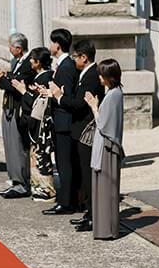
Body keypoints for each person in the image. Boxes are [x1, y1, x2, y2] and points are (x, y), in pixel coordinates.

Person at [53, 38, 103, 231]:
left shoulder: (91, 76)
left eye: (76, 57)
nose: (74, 60)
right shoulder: (85, 73)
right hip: (79, 131)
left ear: (84, 57)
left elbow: (80, 104)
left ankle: (92, 215)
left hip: (85, 131)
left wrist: (59, 97)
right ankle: (88, 213)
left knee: (88, 176)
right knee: (83, 174)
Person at [0, 32, 34, 199]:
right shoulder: (19, 61)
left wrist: (1, 78)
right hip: (10, 107)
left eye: (11, 48)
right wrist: (5, 76)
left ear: (19, 48)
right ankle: (16, 180)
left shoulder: (28, 64)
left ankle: (21, 182)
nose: (10, 51)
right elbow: (13, 80)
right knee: (10, 146)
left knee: (17, 147)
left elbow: (15, 86)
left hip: (18, 108)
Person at [87, 59, 125, 240]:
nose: (99, 77)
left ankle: (107, 229)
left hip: (108, 147)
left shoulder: (113, 95)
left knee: (105, 189)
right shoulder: (114, 93)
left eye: (102, 74)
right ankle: (105, 228)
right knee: (104, 189)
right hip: (106, 145)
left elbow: (102, 124)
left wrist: (94, 107)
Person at [41, 29, 77, 216]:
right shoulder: (63, 65)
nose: (50, 45)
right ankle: (68, 200)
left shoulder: (66, 67)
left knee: (65, 164)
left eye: (51, 42)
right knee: (63, 162)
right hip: (61, 119)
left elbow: (65, 95)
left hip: (64, 121)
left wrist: (54, 95)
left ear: (58, 45)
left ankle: (66, 202)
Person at [12, 47, 54, 201]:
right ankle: (38, 188)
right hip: (34, 124)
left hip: (40, 126)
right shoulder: (41, 77)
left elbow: (39, 104)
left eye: (32, 59)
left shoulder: (46, 78)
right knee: (35, 157)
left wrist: (24, 92)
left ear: (38, 62)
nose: (30, 61)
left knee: (41, 157)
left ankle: (46, 190)